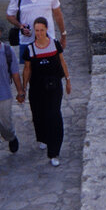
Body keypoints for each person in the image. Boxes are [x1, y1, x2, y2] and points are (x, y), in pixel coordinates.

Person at [22, 17, 71, 166]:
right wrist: (23, 88)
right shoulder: (30, 49)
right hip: (37, 89)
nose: (39, 33)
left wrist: (68, 80)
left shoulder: (55, 45)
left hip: (54, 87)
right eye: (36, 30)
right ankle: (43, 138)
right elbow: (27, 69)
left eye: (41, 30)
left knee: (54, 116)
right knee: (38, 115)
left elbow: (62, 62)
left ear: (46, 30)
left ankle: (54, 152)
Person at [6, 0, 66, 66]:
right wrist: (20, 26)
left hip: (48, 40)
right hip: (27, 41)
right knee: (29, 71)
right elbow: (9, 16)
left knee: (51, 69)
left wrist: (63, 35)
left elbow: (58, 15)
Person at [0, 36, 23, 154]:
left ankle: (11, 137)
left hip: (4, 94)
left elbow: (15, 73)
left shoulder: (7, 51)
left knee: (5, 123)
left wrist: (20, 91)